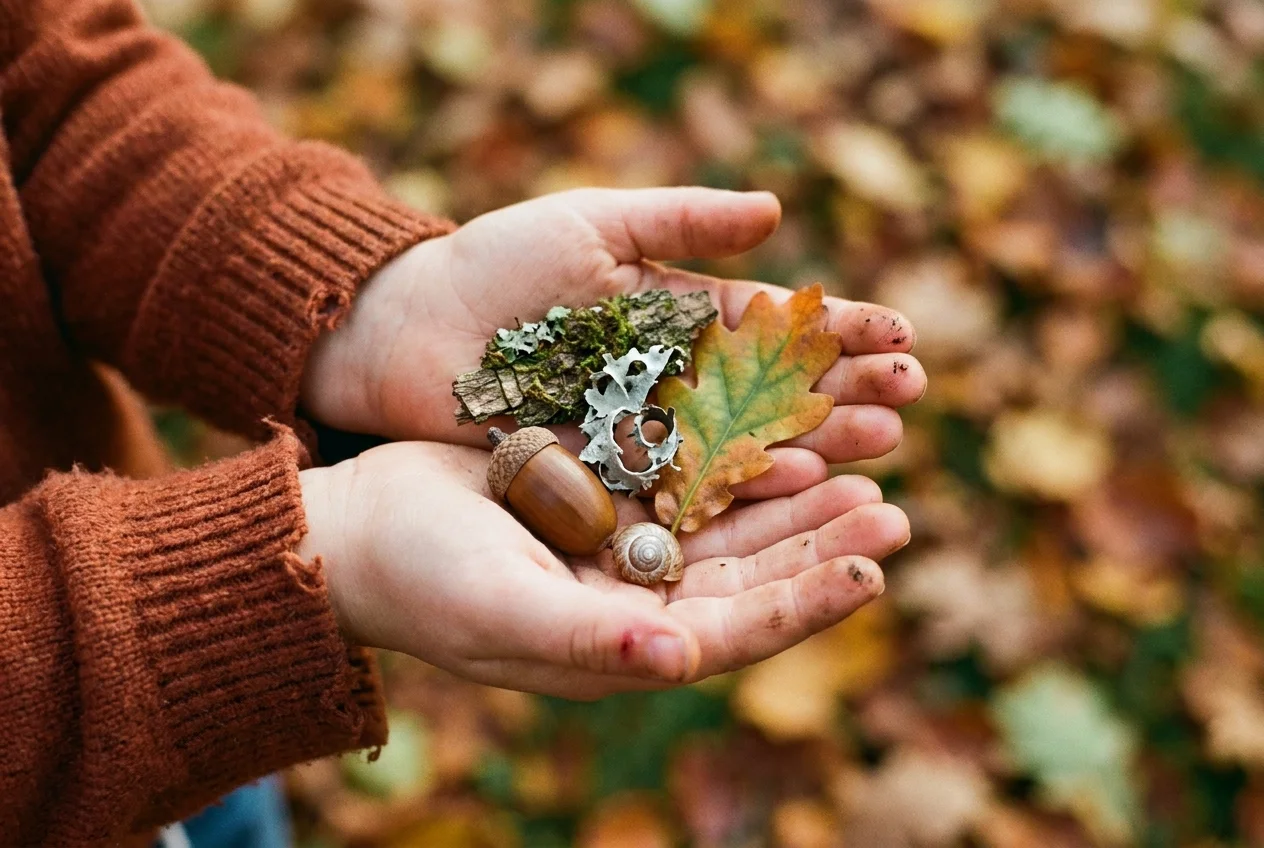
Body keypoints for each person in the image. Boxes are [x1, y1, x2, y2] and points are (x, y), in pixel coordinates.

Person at [0, 0, 928, 844]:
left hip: (187, 722)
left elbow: (52, 95)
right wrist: (308, 556)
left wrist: (366, 305)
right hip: (144, 665)